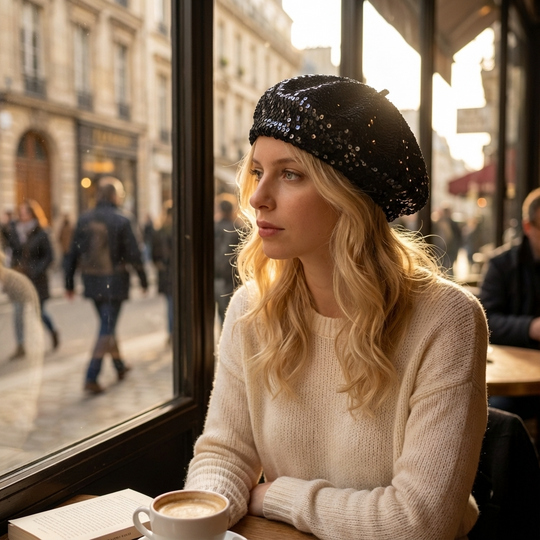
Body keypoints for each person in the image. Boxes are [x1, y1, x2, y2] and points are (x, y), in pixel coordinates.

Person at [185, 75, 488, 539]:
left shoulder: (447, 320)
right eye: (257, 172)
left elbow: (418, 523)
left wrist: (277, 495)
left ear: (348, 195)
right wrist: (202, 516)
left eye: (290, 174)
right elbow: (224, 453)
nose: (257, 198)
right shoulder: (252, 309)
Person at [65, 176, 148, 394]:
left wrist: (69, 283)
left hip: (91, 282)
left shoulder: (84, 218)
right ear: (113, 195)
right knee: (106, 327)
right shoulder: (122, 219)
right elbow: (134, 254)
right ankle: (91, 376)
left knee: (107, 325)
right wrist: (143, 279)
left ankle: (119, 366)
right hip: (115, 282)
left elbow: (71, 253)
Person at [480, 187, 540, 418]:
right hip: (514, 373)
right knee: (500, 415)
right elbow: (486, 321)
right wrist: (531, 327)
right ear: (528, 227)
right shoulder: (501, 264)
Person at [1, 200, 59, 359]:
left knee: (38, 312)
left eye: (24, 212)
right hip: (19, 279)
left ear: (32, 214)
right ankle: (20, 345)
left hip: (36, 280)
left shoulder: (42, 232)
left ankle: (52, 331)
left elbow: (50, 257)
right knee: (18, 312)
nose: (21, 215)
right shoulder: (14, 230)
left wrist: (36, 270)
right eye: (20, 212)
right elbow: (10, 247)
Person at [214, 193, 241, 322]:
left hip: (214, 277)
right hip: (233, 278)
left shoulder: (212, 228)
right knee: (231, 316)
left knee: (221, 316)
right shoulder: (239, 228)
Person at [152, 200, 174, 341]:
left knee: (170, 304)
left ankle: (172, 332)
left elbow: (154, 255)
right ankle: (175, 332)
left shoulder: (159, 231)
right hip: (176, 272)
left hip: (165, 273)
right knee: (176, 304)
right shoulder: (179, 230)